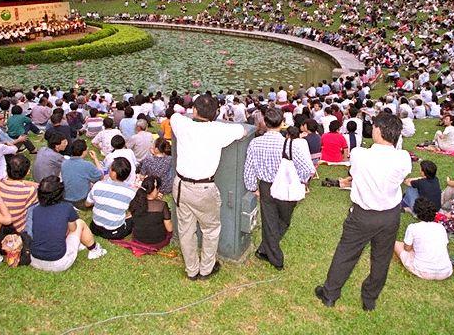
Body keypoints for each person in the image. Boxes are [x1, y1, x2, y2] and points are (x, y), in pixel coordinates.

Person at [315, 112, 411, 310]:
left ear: (379, 131)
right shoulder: (403, 157)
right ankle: (369, 299)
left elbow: (354, 172)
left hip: (363, 214)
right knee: (381, 257)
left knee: (346, 252)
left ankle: (330, 293)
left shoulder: (360, 154)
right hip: (389, 215)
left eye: (375, 126)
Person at [171, 94, 246, 280]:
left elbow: (175, 114)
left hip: (181, 185)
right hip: (204, 189)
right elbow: (243, 131)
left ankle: (191, 269)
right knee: (210, 229)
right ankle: (206, 268)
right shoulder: (219, 130)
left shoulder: (180, 124)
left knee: (186, 230)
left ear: (194, 110)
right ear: (215, 113)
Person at [244, 108, 315, 270]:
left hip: (266, 186)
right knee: (284, 220)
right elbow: (306, 168)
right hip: (287, 185)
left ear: (265, 123)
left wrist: (253, 187)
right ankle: (276, 259)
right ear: (282, 122)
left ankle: (264, 249)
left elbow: (249, 168)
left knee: (270, 222)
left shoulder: (255, 142)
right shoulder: (289, 144)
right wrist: (303, 182)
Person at [27, 176, 106, 272]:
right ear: (60, 193)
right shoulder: (66, 207)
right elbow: (73, 229)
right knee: (79, 223)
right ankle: (94, 249)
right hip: (58, 263)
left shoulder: (36, 210)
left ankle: (77, 244)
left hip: (34, 259)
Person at [393, 197, 452, 280]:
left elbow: (407, 249)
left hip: (423, 270)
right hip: (446, 271)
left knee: (395, 244)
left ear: (417, 214)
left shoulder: (413, 227)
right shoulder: (440, 227)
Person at [85, 156, 135, 239]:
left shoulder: (98, 185)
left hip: (95, 227)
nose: (109, 170)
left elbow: (87, 204)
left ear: (114, 173)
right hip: (115, 232)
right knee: (135, 216)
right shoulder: (131, 193)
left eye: (110, 168)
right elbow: (133, 210)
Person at [127, 175, 173, 248]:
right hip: (157, 242)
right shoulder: (162, 205)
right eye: (158, 188)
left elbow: (129, 217)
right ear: (155, 190)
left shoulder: (135, 202)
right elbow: (169, 229)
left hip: (138, 239)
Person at [61, 139, 104, 210]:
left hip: (65, 198)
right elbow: (101, 176)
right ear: (84, 151)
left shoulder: (64, 163)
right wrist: (95, 159)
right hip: (81, 201)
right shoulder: (87, 165)